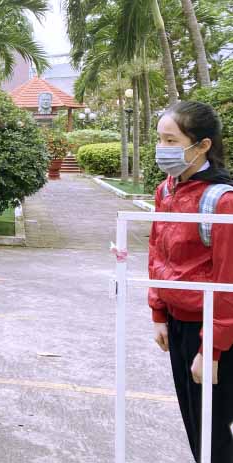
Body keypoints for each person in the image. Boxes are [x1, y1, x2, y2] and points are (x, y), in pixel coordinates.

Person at [149, 101, 233, 462]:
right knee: (197, 427)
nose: (162, 150)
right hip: (178, 323)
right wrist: (158, 312)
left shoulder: (221, 201)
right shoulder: (166, 191)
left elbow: (227, 281)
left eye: (171, 141)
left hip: (214, 329)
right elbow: (157, 252)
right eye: (160, 140)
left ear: (202, 146)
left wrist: (210, 350)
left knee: (213, 433)